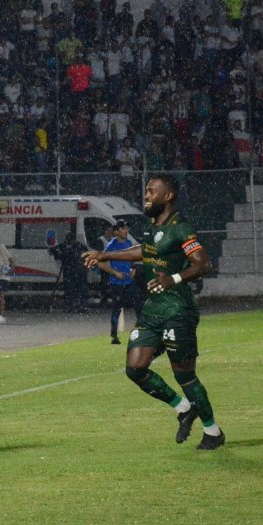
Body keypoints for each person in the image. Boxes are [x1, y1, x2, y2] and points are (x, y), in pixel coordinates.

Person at [83, 174, 225, 450]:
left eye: (151, 191)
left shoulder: (181, 229)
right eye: (146, 191)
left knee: (184, 375)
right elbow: (144, 252)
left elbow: (203, 264)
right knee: (135, 368)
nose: (146, 195)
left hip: (177, 310)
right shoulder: (152, 226)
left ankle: (213, 432)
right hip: (153, 310)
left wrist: (173, 278)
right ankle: (183, 408)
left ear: (167, 196)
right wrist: (106, 255)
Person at [95, 220, 140, 344]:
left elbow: (133, 258)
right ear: (116, 232)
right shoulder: (112, 245)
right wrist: (115, 273)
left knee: (139, 306)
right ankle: (114, 337)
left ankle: (141, 332)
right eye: (123, 229)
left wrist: (133, 268)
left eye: (127, 228)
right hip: (117, 284)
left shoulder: (129, 243)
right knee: (117, 309)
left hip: (129, 282)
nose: (126, 231)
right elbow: (100, 262)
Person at [50, 232, 89, 312]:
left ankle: (80, 305)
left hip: (78, 271)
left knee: (79, 289)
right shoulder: (65, 246)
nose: (69, 242)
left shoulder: (80, 247)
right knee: (69, 289)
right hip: (70, 271)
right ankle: (70, 305)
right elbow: (55, 251)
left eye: (70, 240)